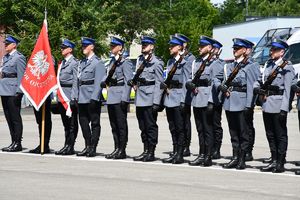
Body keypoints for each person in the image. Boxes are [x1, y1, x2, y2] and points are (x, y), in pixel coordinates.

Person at [214, 38, 259, 170]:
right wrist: (220, 87)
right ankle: (235, 157)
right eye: (234, 48)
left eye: (237, 49)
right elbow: (216, 79)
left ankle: (242, 158)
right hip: (229, 103)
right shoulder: (228, 66)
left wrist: (249, 106)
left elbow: (252, 86)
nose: (234, 51)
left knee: (243, 133)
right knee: (233, 132)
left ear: (245, 50)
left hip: (242, 103)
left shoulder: (251, 66)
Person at [255, 39, 295, 173]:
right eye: (271, 49)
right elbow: (260, 81)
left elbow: (288, 90)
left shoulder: (287, 67)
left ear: (282, 51)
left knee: (280, 134)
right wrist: (257, 89)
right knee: (270, 134)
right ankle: (273, 160)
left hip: (278, 105)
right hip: (267, 104)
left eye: (274, 50)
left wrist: (284, 109)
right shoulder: (268, 65)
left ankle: (280, 161)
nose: (271, 52)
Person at [186, 36, 223, 166]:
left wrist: (211, 102)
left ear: (209, 48)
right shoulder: (196, 62)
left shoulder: (216, 63)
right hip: (196, 98)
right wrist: (189, 84)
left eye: (202, 46)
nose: (199, 48)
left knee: (208, 129)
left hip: (208, 99)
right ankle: (201, 154)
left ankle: (208, 155)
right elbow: (190, 78)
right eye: (199, 46)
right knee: (200, 129)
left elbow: (216, 83)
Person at [131, 36, 164, 162]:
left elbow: (159, 83)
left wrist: (156, 102)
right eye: (142, 44)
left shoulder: (157, 62)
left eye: (146, 44)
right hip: (140, 97)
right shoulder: (140, 60)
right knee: (142, 126)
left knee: (150, 126)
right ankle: (145, 150)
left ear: (152, 47)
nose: (143, 46)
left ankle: (151, 151)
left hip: (150, 98)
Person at [101, 36, 133, 159]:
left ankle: (122, 149)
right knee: (113, 125)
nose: (111, 48)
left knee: (121, 124)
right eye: (111, 46)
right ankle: (116, 148)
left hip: (120, 96)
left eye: (113, 46)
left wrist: (125, 98)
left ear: (120, 47)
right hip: (111, 96)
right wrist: (103, 81)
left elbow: (128, 81)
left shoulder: (125, 62)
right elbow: (107, 75)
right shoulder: (112, 61)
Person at [75, 37, 106, 157]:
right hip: (82, 96)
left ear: (91, 47)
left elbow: (99, 81)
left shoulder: (97, 62)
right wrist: (76, 96)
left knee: (94, 123)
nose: (83, 48)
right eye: (82, 46)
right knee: (83, 122)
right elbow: (78, 81)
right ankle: (87, 145)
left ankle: (93, 146)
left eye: (85, 46)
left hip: (92, 97)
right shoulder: (82, 62)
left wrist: (94, 98)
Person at [161, 35, 190, 164]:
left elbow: (185, 83)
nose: (169, 48)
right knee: (172, 127)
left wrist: (183, 100)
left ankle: (180, 153)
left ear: (179, 47)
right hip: (169, 97)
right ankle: (174, 151)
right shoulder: (170, 62)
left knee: (180, 127)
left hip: (178, 97)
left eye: (172, 46)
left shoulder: (185, 63)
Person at [0, 35, 26, 152]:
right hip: (4, 90)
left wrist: (19, 92)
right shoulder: (5, 57)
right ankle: (13, 141)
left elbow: (21, 75)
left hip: (13, 91)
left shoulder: (19, 57)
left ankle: (17, 143)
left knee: (15, 118)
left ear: (14, 45)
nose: (5, 45)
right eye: (5, 43)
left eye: (7, 44)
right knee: (8, 117)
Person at [55, 39, 79, 155]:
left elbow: (75, 81)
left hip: (69, 96)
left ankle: (71, 146)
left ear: (70, 49)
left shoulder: (74, 63)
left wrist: (74, 97)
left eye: (64, 48)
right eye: (61, 47)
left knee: (72, 123)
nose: (61, 49)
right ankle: (66, 144)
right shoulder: (62, 63)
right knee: (65, 123)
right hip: (61, 95)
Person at [174, 33, 195, 157]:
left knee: (185, 122)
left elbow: (187, 80)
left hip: (185, 95)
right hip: (174, 95)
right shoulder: (175, 59)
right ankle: (178, 146)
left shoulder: (190, 60)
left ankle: (186, 146)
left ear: (184, 45)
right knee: (177, 124)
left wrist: (184, 99)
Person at [211, 40, 224, 160]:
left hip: (215, 99)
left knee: (216, 124)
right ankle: (209, 148)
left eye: (215, 49)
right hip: (205, 99)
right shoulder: (206, 63)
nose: (212, 51)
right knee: (207, 126)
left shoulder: (220, 64)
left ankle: (216, 149)